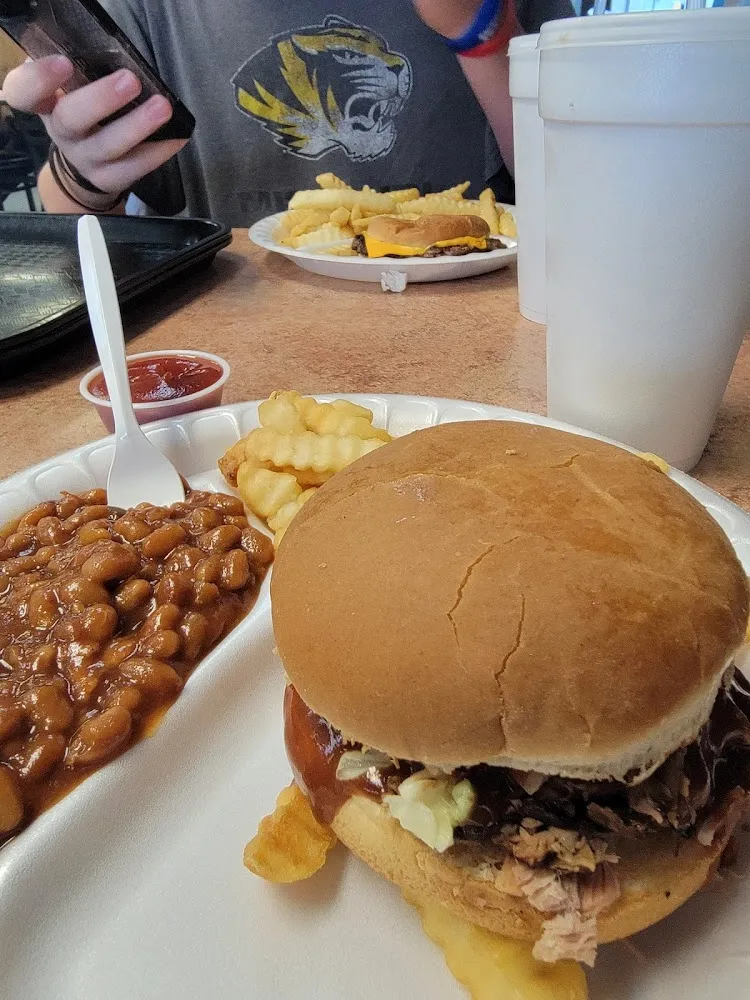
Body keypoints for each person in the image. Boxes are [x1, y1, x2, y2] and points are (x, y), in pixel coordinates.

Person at [1, 0, 573, 225]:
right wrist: (83, 173)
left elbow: (583, 199)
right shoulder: (132, 8)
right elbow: (71, 221)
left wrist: (478, 32)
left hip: (480, 328)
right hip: (223, 368)